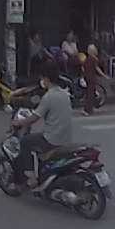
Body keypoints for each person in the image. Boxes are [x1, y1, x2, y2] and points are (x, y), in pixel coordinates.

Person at [11, 60, 75, 190]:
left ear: (46, 78)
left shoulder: (48, 97)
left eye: (42, 78)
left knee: (25, 141)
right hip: (66, 138)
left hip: (52, 139)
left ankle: (31, 177)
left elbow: (34, 118)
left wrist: (19, 122)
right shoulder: (65, 94)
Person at [82, 44, 106, 116]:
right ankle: (88, 110)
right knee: (91, 94)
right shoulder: (94, 59)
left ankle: (86, 109)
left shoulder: (87, 59)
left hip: (87, 77)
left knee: (88, 94)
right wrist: (104, 75)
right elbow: (97, 68)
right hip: (92, 78)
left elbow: (83, 68)